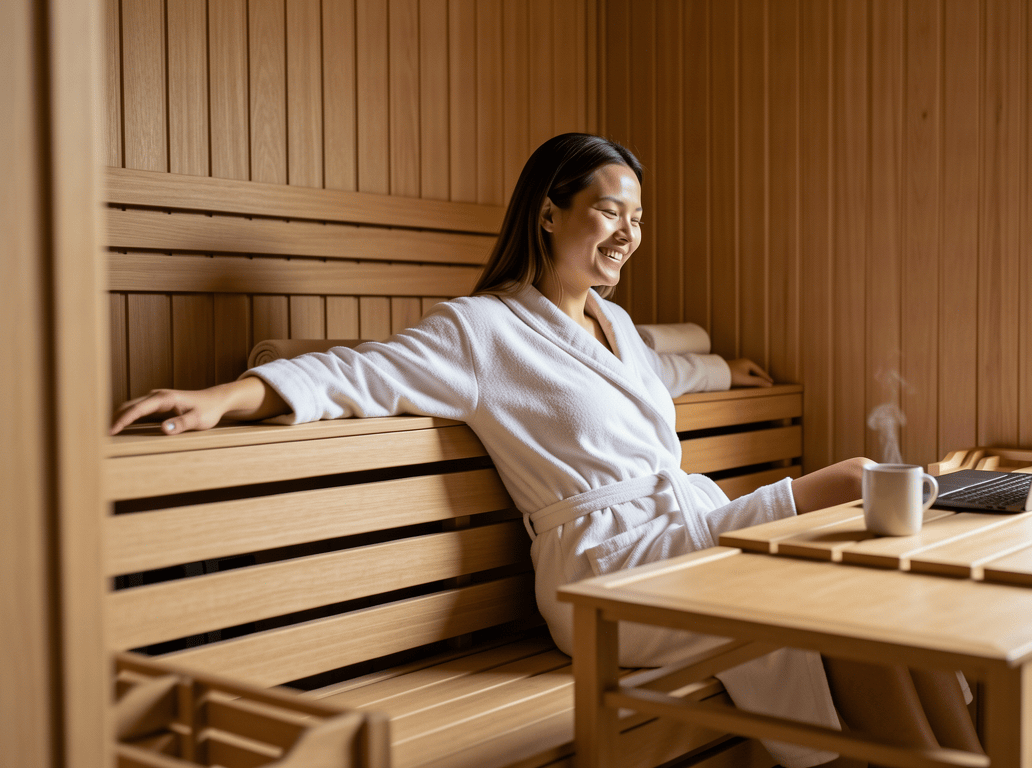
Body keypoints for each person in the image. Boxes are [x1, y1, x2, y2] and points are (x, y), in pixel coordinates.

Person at [110, 133, 980, 766]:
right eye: (610, 209)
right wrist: (226, 396)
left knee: (858, 605)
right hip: (606, 567)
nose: (629, 231)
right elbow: (361, 371)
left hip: (679, 533)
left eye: (638, 216)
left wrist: (725, 365)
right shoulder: (481, 328)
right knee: (860, 483)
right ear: (550, 210)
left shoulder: (616, 324)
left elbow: (657, 376)